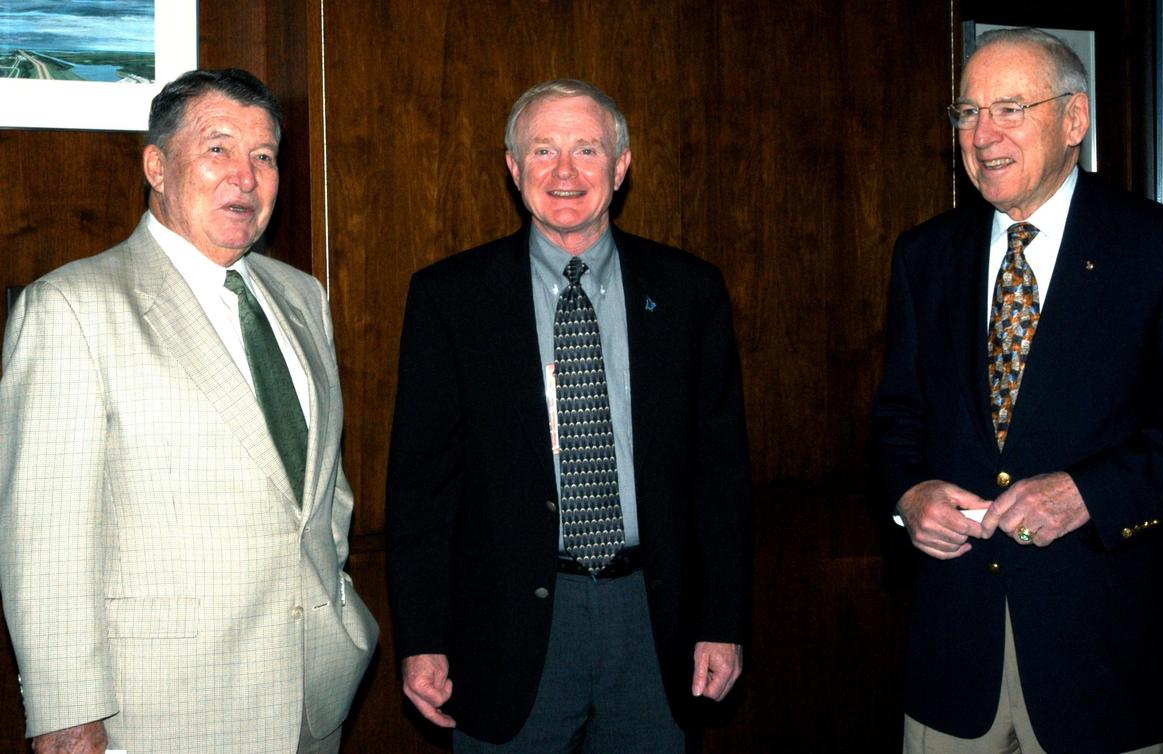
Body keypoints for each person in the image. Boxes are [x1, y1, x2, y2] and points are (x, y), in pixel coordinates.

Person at [872, 27, 1163, 754]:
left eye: (1010, 108)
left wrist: (1089, 492)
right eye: (967, 112)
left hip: (1111, 662)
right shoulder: (926, 254)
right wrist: (908, 496)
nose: (982, 133)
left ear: (1075, 120)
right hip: (954, 662)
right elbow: (899, 415)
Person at [0, 68, 377, 754]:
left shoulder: (301, 296)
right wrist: (65, 713)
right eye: (218, 149)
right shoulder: (72, 308)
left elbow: (324, 493)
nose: (245, 176)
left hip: (314, 697)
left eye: (263, 157)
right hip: (160, 712)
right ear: (157, 167)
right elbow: (43, 539)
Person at [386, 78, 752, 752]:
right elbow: (421, 490)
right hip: (504, 629)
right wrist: (423, 639)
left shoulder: (689, 292)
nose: (564, 171)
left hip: (652, 621)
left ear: (620, 166)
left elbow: (720, 476)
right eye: (543, 150)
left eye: (586, 149)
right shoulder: (450, 298)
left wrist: (721, 619)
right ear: (512, 167)